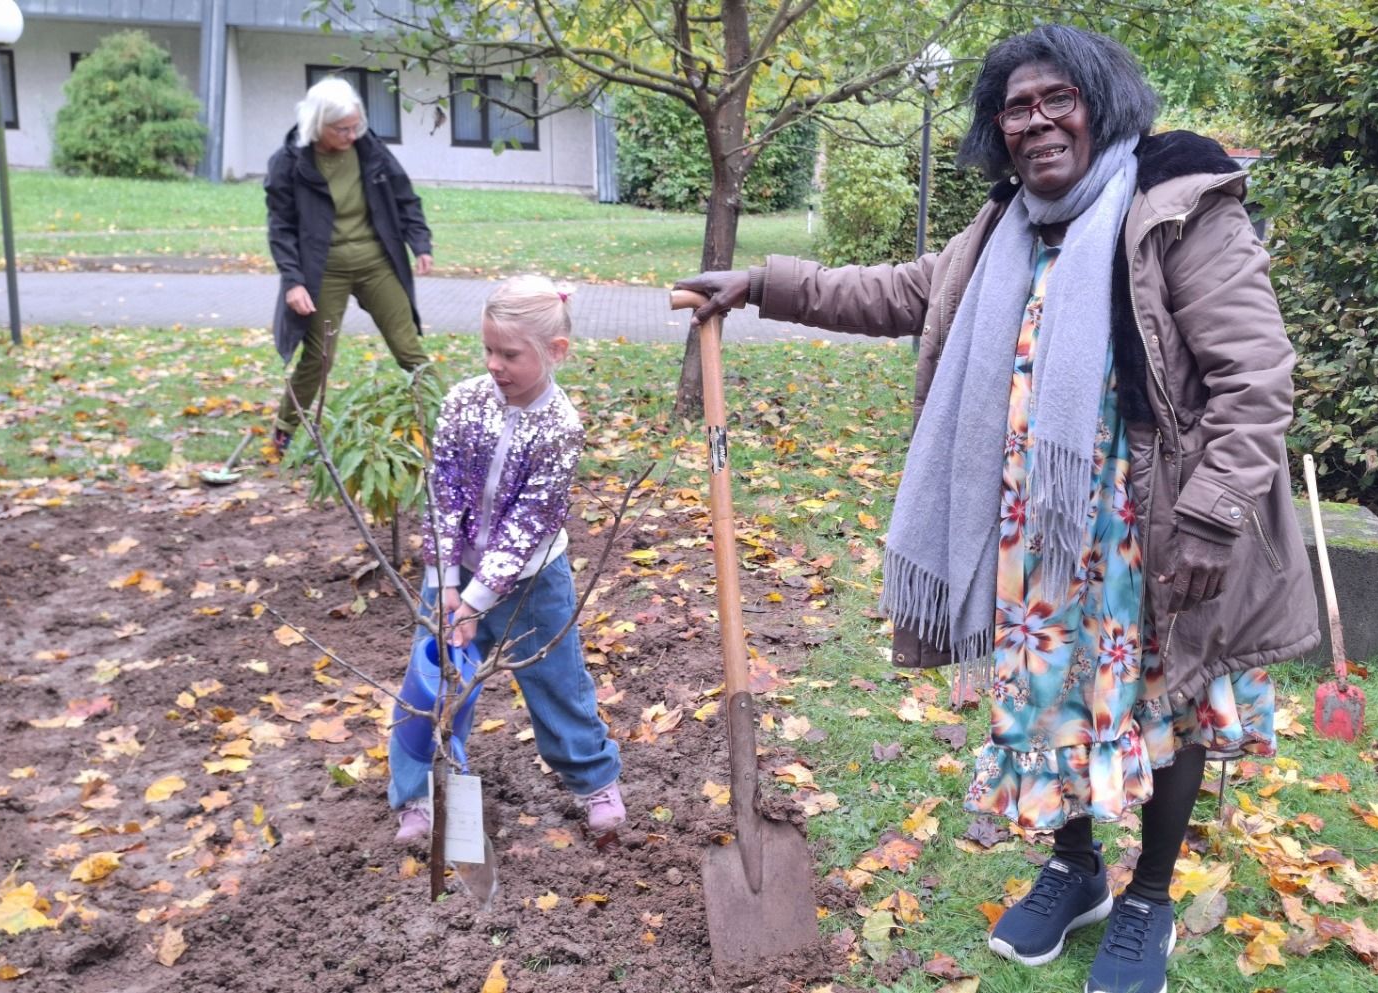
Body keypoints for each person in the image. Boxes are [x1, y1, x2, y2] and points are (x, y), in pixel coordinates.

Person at [678, 24, 1318, 993]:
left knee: (1170, 700)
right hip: (1038, 533)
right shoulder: (1003, 227)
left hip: (1155, 528)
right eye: (1016, 108)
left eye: (1058, 99)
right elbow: (900, 292)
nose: (1036, 121)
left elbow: (1255, 377)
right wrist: (762, 284)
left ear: (1101, 106)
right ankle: (1076, 865)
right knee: (1047, 692)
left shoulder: (1177, 210)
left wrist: (1209, 516)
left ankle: (1147, 895)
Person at [388, 275, 625, 843]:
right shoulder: (464, 402)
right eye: (488, 349)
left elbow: (527, 526)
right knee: (432, 682)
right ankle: (418, 793)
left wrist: (476, 601)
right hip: (453, 572)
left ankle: (593, 780)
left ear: (555, 351)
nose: (495, 364)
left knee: (556, 681)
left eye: (511, 354)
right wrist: (446, 579)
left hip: (532, 581)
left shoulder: (561, 428)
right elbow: (444, 491)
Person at [265, 76, 434, 454]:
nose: (352, 134)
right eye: (342, 129)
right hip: (322, 271)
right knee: (319, 358)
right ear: (318, 124)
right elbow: (281, 227)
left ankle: (446, 423)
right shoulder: (289, 163)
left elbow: (406, 198)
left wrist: (420, 243)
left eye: (356, 125)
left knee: (408, 349)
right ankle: (285, 431)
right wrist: (293, 281)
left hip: (377, 263)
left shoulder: (370, 149)